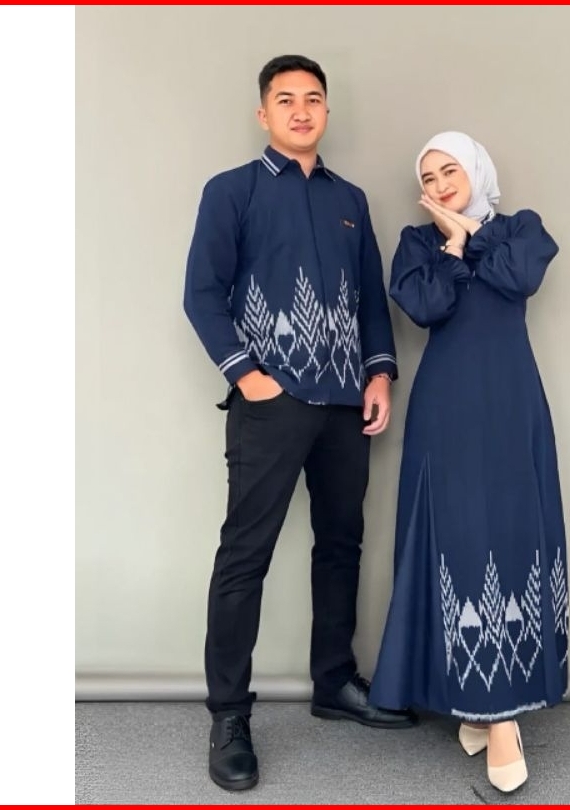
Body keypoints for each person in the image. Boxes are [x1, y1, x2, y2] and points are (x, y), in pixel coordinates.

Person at [183, 54, 415, 793]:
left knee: (341, 544)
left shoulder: (350, 200)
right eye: (285, 100)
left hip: (345, 405)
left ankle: (334, 682)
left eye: (313, 98)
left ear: (326, 111)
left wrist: (378, 373)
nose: (301, 110)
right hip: (271, 403)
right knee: (244, 556)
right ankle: (229, 716)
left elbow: (371, 299)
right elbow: (202, 292)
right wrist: (248, 376)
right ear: (264, 113)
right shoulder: (233, 191)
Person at [369, 131, 569, 793]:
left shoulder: (519, 229)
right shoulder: (418, 244)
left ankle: (496, 709)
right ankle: (487, 709)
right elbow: (427, 307)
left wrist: (473, 234)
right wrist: (451, 247)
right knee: (457, 540)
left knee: (508, 536)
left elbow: (519, 278)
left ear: (477, 170)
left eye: (449, 170)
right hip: (447, 409)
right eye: (428, 178)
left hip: (511, 402)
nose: (439, 185)